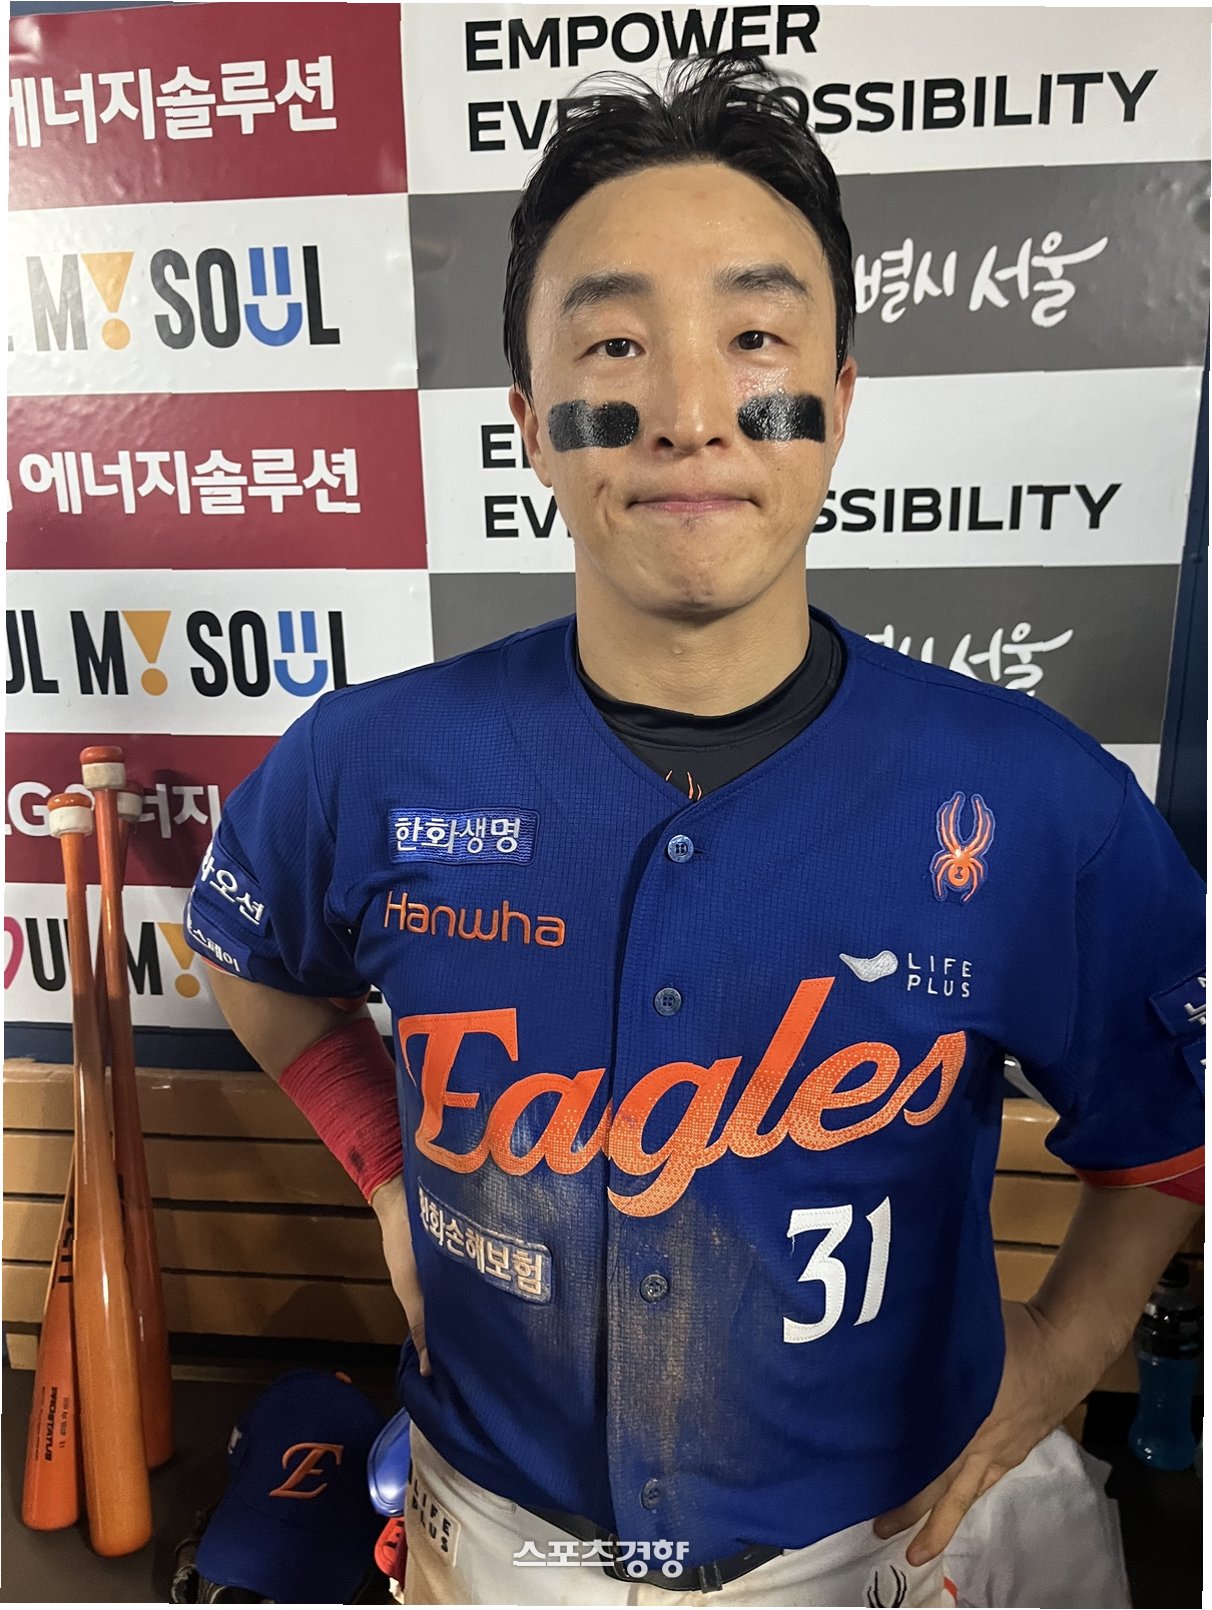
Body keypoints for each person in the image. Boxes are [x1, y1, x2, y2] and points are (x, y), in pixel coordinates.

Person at [185, 51, 1204, 1608]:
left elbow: (1170, 1122)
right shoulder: (372, 759)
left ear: (837, 405)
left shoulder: (1031, 796)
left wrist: (1066, 1347)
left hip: (885, 1539)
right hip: (505, 1536)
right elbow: (249, 956)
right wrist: (387, 1164)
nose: (686, 412)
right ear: (531, 424)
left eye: (753, 338)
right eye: (615, 343)